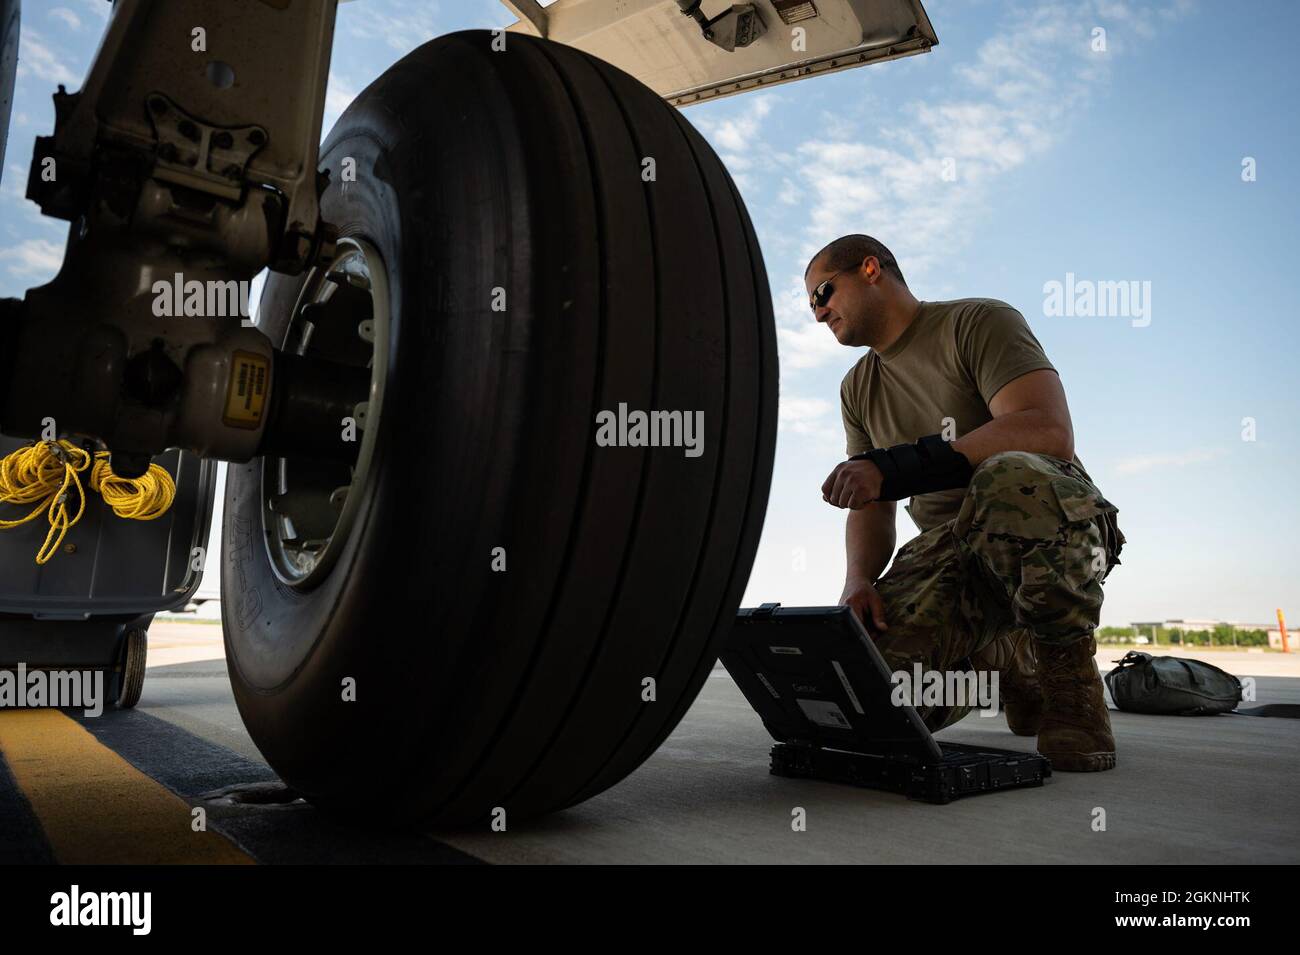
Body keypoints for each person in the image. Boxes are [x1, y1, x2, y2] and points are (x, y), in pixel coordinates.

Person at [808, 234, 1126, 771]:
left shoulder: (978, 322)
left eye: (823, 293)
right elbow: (873, 502)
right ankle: (1001, 658)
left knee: (1008, 475)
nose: (819, 315)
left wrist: (897, 466)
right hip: (949, 552)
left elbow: (1046, 430)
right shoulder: (856, 387)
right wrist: (857, 580)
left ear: (869, 270)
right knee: (866, 702)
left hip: (1047, 529)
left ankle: (1071, 691)